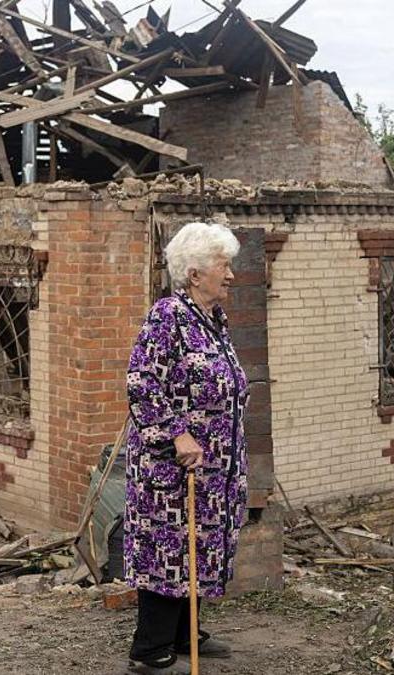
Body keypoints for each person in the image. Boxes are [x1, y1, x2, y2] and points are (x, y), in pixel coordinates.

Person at [123, 221, 250, 674]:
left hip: (213, 468)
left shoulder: (211, 320)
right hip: (171, 469)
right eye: (224, 265)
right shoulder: (167, 316)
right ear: (195, 274)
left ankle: (184, 634)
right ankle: (150, 648)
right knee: (168, 548)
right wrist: (177, 433)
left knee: (196, 547)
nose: (231, 274)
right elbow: (142, 381)